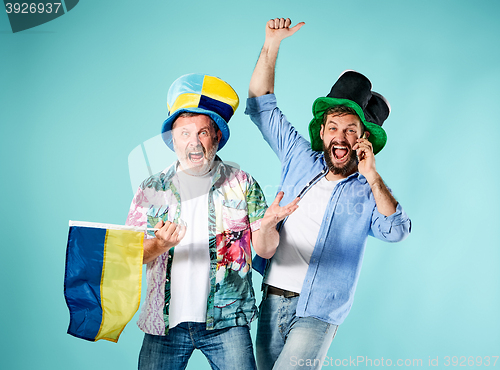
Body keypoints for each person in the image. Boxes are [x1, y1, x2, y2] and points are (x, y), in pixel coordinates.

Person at [245, 19, 412, 370]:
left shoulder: (369, 191)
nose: (340, 136)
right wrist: (272, 43)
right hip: (271, 299)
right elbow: (262, 105)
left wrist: (373, 176)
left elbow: (396, 230)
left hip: (318, 312)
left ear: (362, 140)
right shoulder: (298, 157)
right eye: (333, 127)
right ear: (321, 132)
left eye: (350, 130)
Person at [126, 73, 299, 370]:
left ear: (217, 137)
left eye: (203, 133)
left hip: (226, 321)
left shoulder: (242, 183)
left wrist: (268, 225)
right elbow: (132, 255)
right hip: (165, 324)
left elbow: (266, 250)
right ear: (172, 140)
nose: (194, 143)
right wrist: (160, 244)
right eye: (184, 134)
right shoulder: (151, 189)